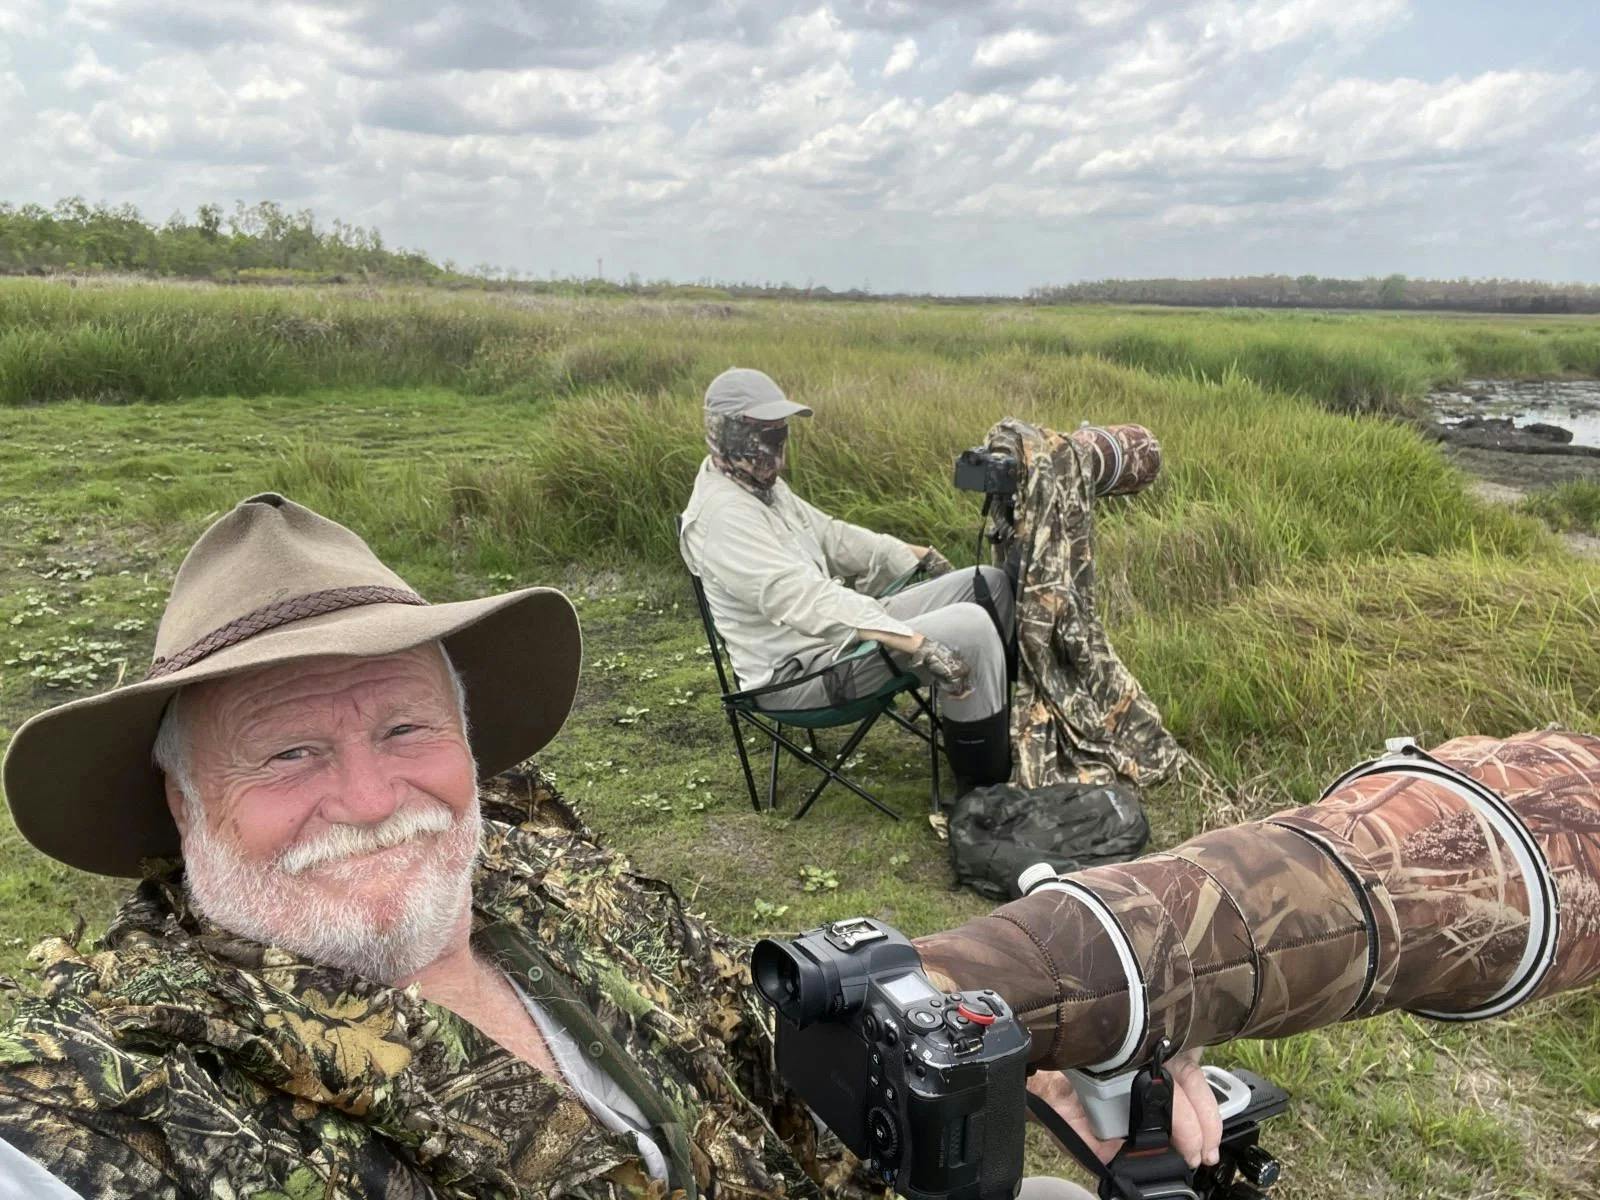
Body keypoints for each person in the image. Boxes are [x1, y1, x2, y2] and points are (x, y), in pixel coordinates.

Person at [0, 493, 1223, 1200]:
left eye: (406, 726)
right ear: (180, 805)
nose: (371, 796)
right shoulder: (126, 1065)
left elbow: (752, 1020)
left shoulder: (529, 861)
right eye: (285, 753)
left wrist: (978, 1067)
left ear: (472, 749)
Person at [679, 367, 1013, 792]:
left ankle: (1002, 728)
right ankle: (985, 786)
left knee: (987, 584)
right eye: (764, 430)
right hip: (800, 674)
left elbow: (833, 536)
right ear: (726, 433)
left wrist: (917, 554)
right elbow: (803, 599)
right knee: (971, 628)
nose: (777, 442)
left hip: (840, 639)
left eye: (780, 429)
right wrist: (911, 639)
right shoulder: (724, 517)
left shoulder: (760, 488)